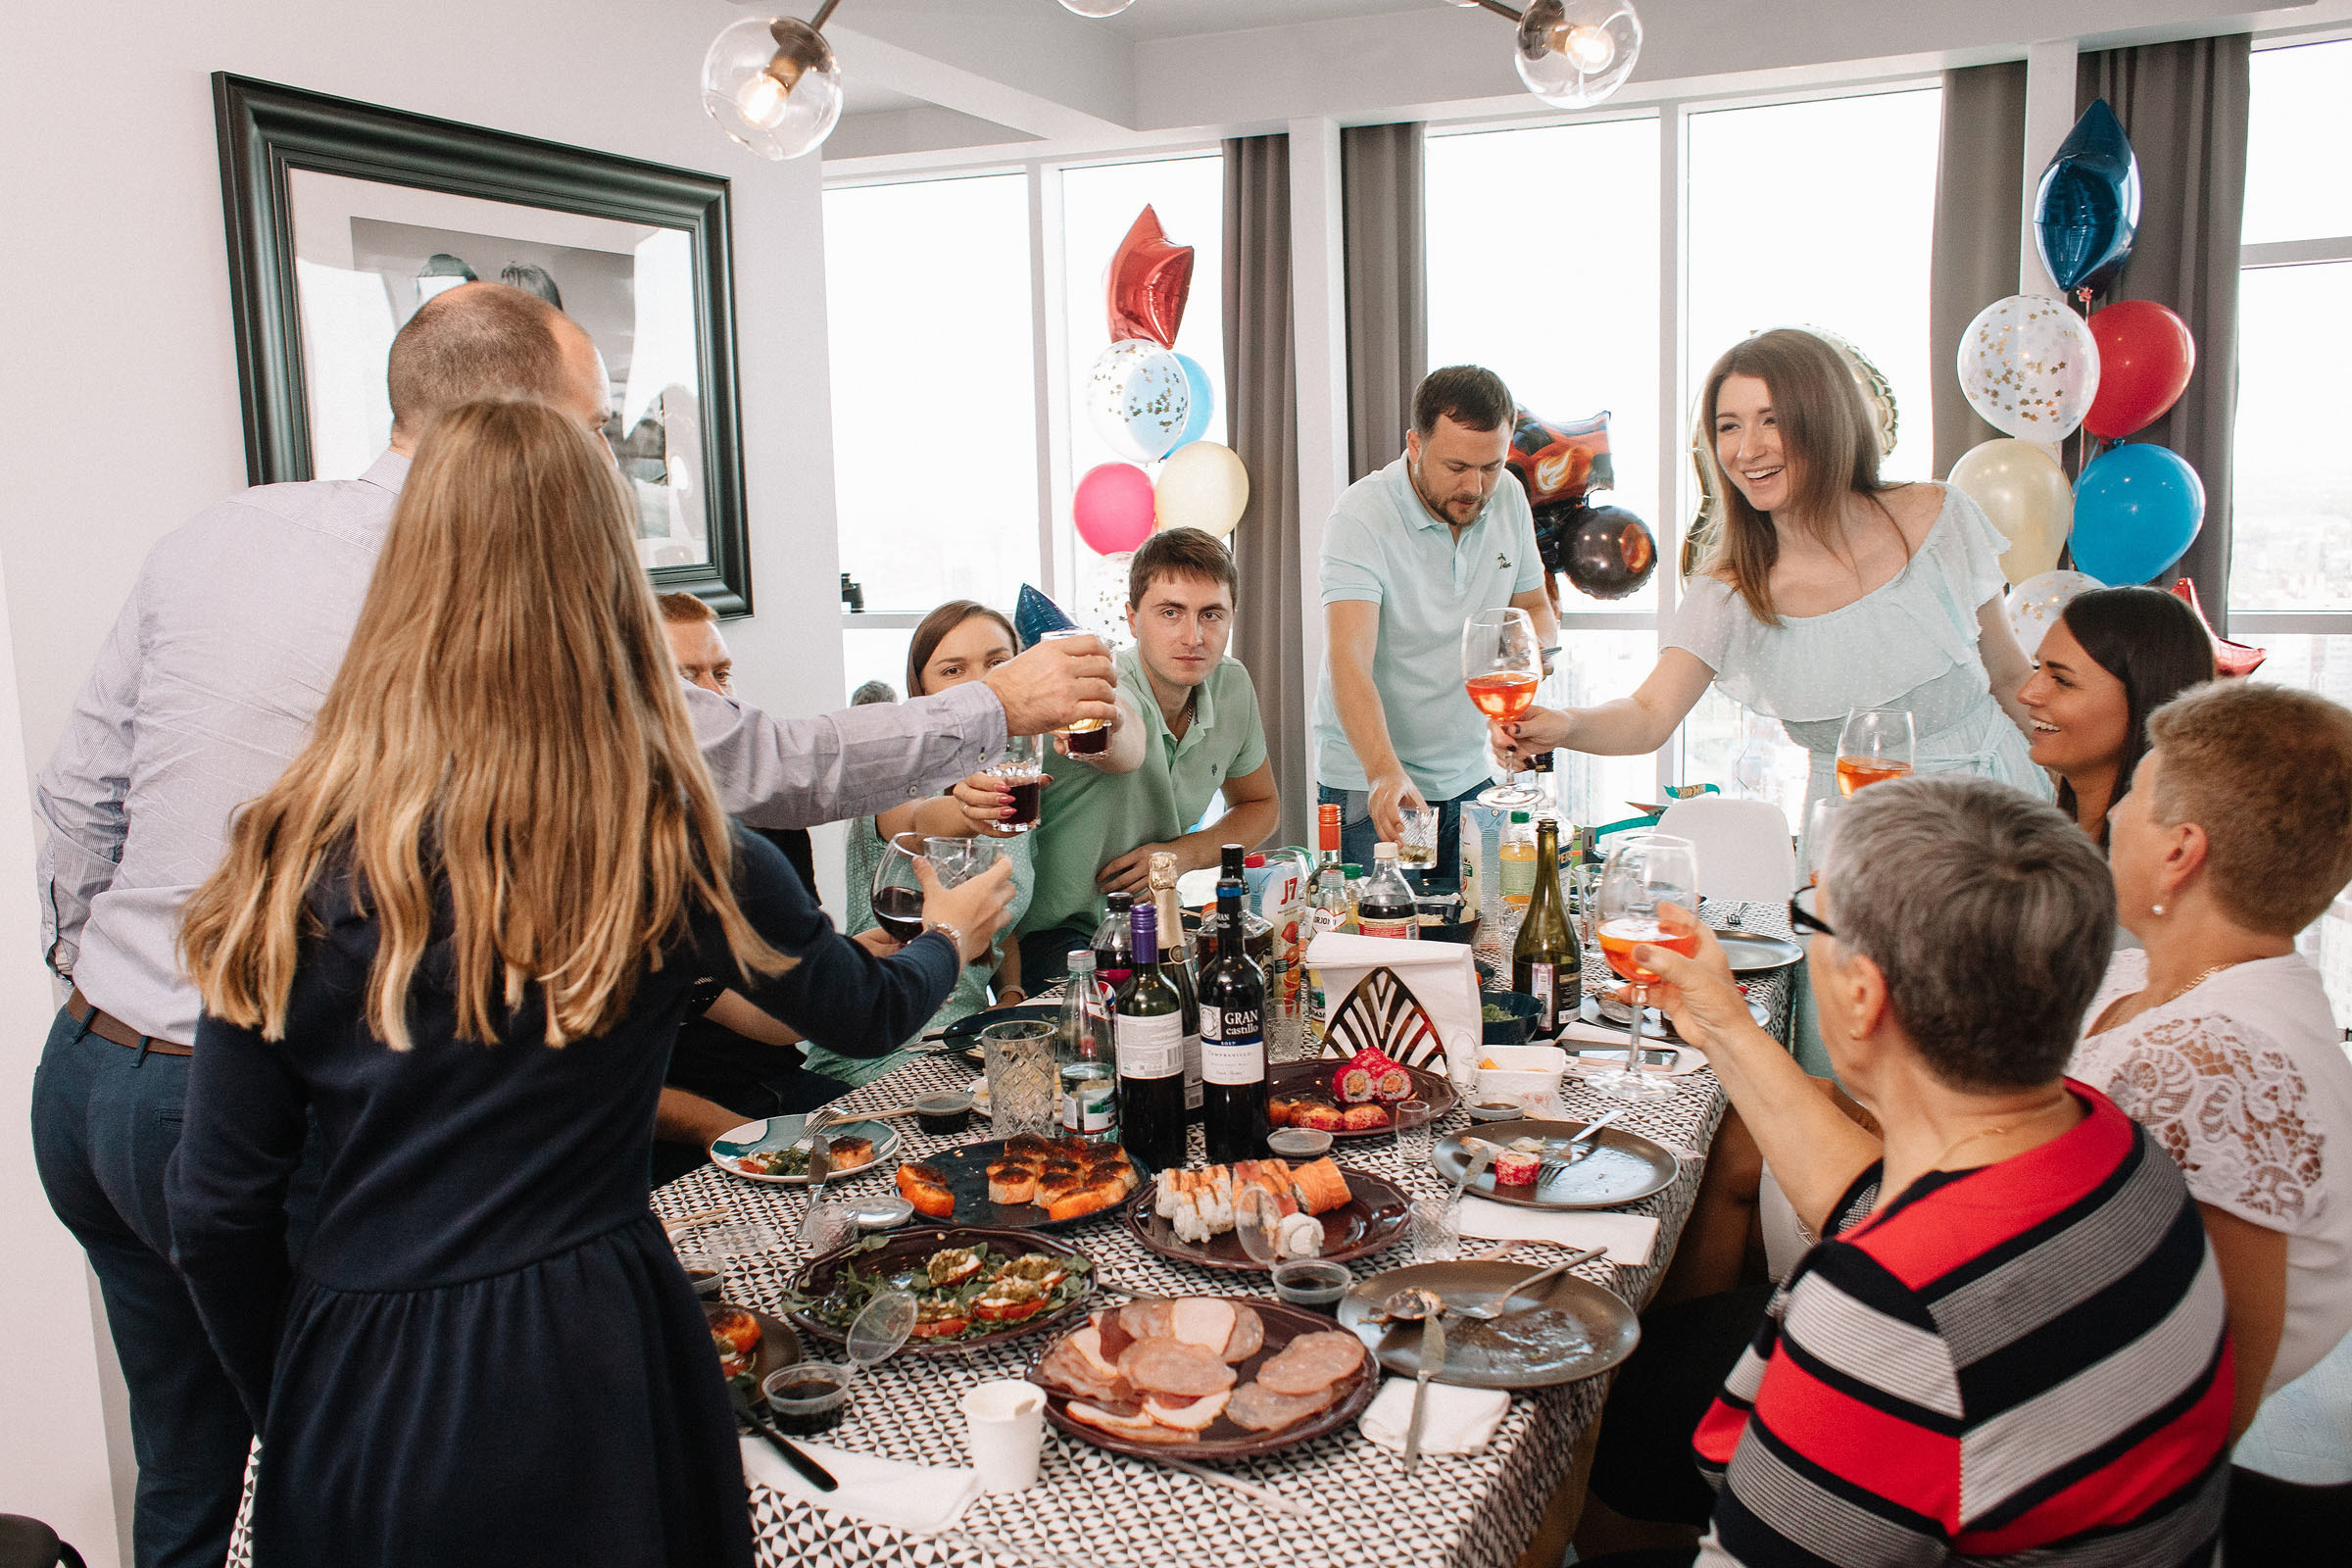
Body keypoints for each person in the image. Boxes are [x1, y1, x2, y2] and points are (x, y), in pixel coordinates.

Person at [27, 280, 1102, 1568]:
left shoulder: (270, 776)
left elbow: (80, 802)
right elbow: (777, 774)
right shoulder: (651, 829)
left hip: (98, 1077)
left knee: (189, 1476)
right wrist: (986, 753)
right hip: (573, 1335)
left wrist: (312, 1416)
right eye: (595, 431)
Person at [1577, 775, 2232, 1566]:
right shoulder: (2116, 1147)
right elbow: (1881, 1205)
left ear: (1863, 994)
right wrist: (1722, 1021)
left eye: (1810, 917)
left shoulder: (1888, 1313)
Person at [1498, 328, 2045, 1075]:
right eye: (1728, 426)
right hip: (1858, 854)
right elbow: (1649, 715)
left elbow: (2012, 678)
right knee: (1873, 1073)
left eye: (1771, 420)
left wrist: (2093, 802)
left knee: (2005, 1068)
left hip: (1992, 824)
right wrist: (1562, 723)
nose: (1747, 449)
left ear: (1825, 418)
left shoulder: (1939, 516)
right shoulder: (1732, 586)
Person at [2072, 679, 2352, 1554]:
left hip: (2091, 1479)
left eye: (2136, 794)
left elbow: (2207, 1391)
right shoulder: (2144, 980)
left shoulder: (2211, 1067)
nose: (2116, 814)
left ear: (2181, 851)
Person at [1314, 366, 1558, 877]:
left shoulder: (1509, 497)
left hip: (1468, 774)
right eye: (1456, 467)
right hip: (1376, 780)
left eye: (1491, 466)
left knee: (1476, 923)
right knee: (1390, 928)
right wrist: (1384, 772)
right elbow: (1348, 661)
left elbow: (1536, 609)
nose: (1475, 487)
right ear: (1415, 444)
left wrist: (1533, 657)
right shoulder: (1361, 516)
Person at [1011, 527, 1281, 985]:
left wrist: (1181, 855)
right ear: (1133, 619)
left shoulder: (1232, 684)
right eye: (1170, 613)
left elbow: (1261, 805)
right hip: (1056, 935)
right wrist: (1103, 722)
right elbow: (1122, 740)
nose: (1193, 637)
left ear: (1232, 617)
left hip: (1155, 922)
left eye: (1211, 614)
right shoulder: (1104, 688)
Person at [811, 600, 1041, 1087]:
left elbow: (1001, 917)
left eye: (997, 663)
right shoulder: (895, 777)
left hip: (962, 1039)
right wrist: (972, 809)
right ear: (921, 692)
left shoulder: (1017, 781)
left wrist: (1011, 993)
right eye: (953, 670)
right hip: (882, 1042)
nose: (980, 684)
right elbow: (920, 821)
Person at [2017, 584, 2215, 846]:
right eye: (2036, 667)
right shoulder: (2047, 840)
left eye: (2062, 680)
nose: (2026, 694)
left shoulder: (2151, 862)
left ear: (2143, 699)